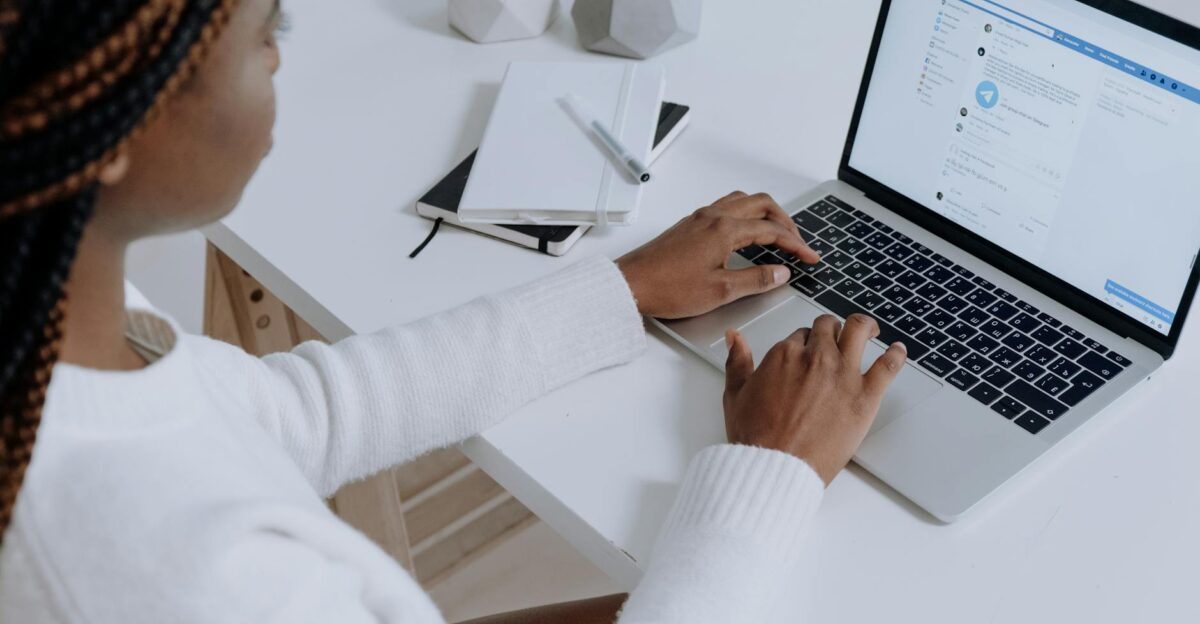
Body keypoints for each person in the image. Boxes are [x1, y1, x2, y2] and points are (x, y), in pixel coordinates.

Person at [0, 1, 908, 622]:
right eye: (261, 27)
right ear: (97, 119)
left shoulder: (50, 318)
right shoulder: (194, 577)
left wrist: (620, 288)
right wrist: (770, 470)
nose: (279, 51)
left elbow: (287, 413)